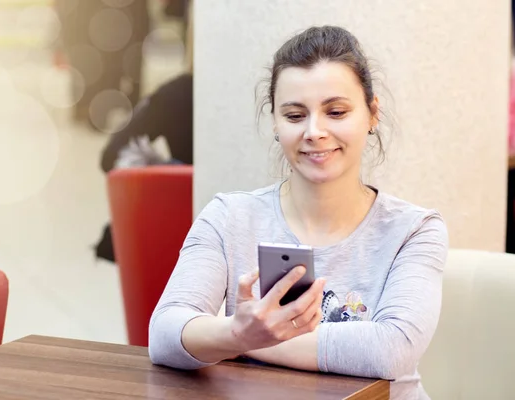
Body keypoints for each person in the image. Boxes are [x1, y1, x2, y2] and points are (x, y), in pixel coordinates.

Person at [147, 25, 448, 399]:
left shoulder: (414, 229)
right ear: (275, 121)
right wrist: (236, 333)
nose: (314, 131)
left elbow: (391, 350)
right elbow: (163, 333)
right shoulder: (228, 216)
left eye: (336, 111)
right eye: (294, 116)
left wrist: (240, 340)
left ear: (372, 114)